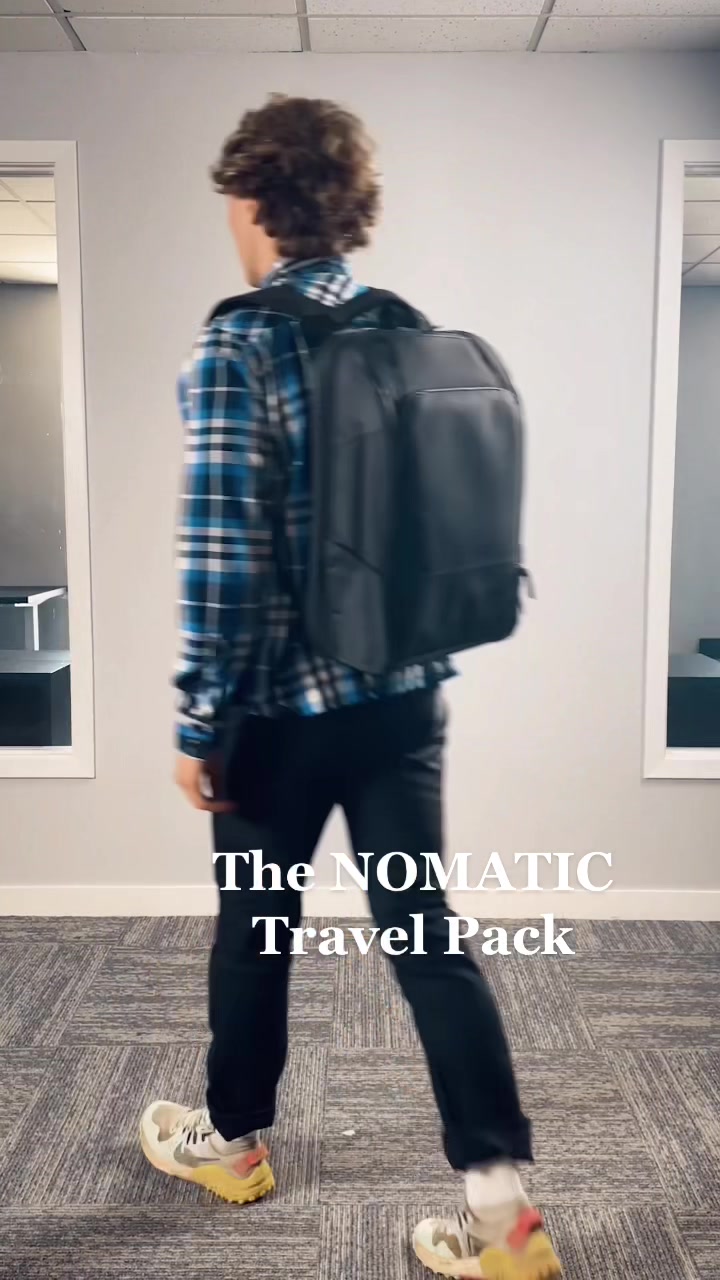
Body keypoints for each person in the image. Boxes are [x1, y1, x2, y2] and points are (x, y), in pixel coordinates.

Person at [139, 94, 561, 1280]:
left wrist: (199, 722)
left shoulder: (236, 348)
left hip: (278, 718)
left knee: (256, 928)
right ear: (346, 209)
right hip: (405, 700)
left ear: (251, 200)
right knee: (428, 936)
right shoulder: (409, 330)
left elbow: (223, 564)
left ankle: (233, 1144)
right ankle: (504, 1216)